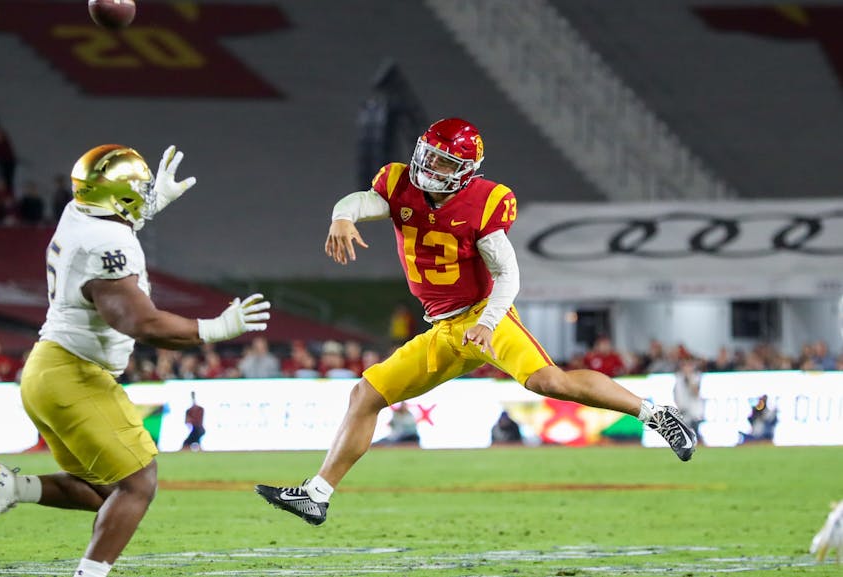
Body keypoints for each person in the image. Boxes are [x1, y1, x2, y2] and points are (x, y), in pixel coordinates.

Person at [255, 118, 696, 526]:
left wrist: (487, 322)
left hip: (483, 315)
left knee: (549, 383)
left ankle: (656, 413)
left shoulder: (484, 202)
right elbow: (362, 200)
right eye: (429, 153)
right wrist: (341, 216)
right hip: (443, 329)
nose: (429, 165)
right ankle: (317, 494)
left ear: (465, 169)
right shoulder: (398, 184)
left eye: (443, 160)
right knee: (365, 394)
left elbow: (509, 275)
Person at [0, 143, 270, 577]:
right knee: (139, 483)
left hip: (49, 371)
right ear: (118, 194)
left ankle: (15, 488)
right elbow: (139, 322)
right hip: (74, 375)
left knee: (105, 489)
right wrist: (215, 328)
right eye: (138, 188)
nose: (144, 193)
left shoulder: (80, 212)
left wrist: (152, 203)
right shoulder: (106, 242)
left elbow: (111, 222)